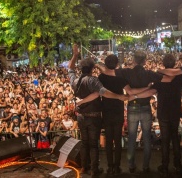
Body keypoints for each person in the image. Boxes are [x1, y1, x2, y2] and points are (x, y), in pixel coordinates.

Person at [103, 50, 170, 173]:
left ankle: (131, 165)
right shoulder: (149, 73)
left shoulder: (126, 72)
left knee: (132, 138)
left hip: (132, 107)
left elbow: (108, 72)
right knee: (147, 138)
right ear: (145, 61)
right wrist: (159, 73)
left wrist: (97, 64)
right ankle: (145, 166)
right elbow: (167, 79)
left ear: (133, 60)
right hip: (145, 108)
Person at [68, 44, 127, 176]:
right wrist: (119, 96)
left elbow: (70, 69)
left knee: (84, 143)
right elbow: (101, 92)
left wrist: (75, 55)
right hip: (95, 116)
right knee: (95, 144)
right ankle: (96, 169)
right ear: (91, 69)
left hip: (81, 116)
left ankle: (84, 167)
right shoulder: (93, 80)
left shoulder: (75, 81)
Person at [97, 54, 151, 175]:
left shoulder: (101, 77)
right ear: (117, 64)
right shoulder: (120, 77)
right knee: (117, 138)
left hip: (106, 110)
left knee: (109, 139)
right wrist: (146, 88)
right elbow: (130, 91)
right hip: (118, 110)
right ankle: (117, 166)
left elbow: (99, 92)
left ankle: (110, 166)